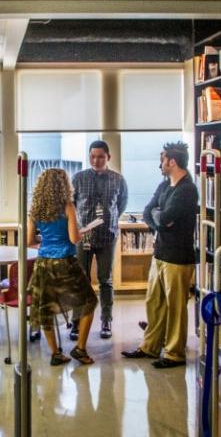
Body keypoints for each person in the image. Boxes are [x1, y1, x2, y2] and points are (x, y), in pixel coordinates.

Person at [122, 142, 197, 369]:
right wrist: (160, 221)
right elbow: (149, 212)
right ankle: (150, 346)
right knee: (154, 302)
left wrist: (160, 219)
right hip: (160, 253)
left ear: (172, 162)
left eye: (162, 160)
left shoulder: (187, 189)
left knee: (175, 307)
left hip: (178, 257)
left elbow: (165, 217)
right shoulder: (164, 186)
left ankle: (174, 353)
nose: (160, 164)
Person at [27, 168, 99, 366]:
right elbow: (74, 238)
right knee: (89, 301)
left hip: (43, 264)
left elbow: (29, 240)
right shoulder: (68, 207)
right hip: (66, 263)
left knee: (45, 309)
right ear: (63, 185)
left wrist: (47, 237)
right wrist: (81, 232)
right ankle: (80, 348)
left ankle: (55, 353)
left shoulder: (35, 210)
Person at [70, 140, 128, 340]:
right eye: (93, 156)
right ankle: (76, 321)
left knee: (106, 280)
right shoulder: (78, 178)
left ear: (108, 157)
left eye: (100, 156)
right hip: (82, 237)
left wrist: (108, 221)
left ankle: (106, 320)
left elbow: (121, 205)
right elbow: (71, 206)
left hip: (107, 237)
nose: (96, 160)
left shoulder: (118, 180)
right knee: (81, 280)